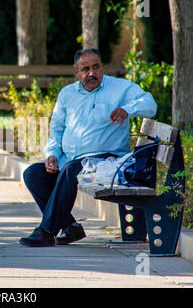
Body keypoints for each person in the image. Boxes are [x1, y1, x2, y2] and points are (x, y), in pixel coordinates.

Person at [19, 48, 157, 247]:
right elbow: (57, 130)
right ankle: (71, 227)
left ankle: (46, 231)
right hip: (70, 160)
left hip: (104, 159)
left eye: (96, 67)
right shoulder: (67, 94)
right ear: (76, 72)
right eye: (85, 69)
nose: (91, 73)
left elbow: (150, 104)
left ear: (102, 67)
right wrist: (52, 154)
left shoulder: (120, 88)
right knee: (33, 174)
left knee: (70, 170)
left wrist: (126, 109)